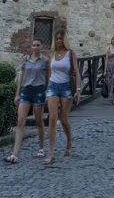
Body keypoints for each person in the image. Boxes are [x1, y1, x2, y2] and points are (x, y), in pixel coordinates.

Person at [4, 38, 50, 164]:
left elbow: (47, 77)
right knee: (20, 121)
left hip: (38, 91)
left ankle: (41, 148)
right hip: (26, 91)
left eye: (37, 45)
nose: (35, 47)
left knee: (39, 121)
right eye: (33, 45)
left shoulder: (45, 60)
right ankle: (15, 154)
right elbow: (22, 75)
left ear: (41, 46)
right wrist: (17, 93)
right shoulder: (26, 59)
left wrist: (45, 92)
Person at [43, 29, 81, 165]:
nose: (59, 41)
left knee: (64, 119)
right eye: (57, 38)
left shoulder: (71, 54)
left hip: (66, 88)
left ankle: (69, 140)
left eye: (61, 38)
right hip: (53, 86)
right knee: (52, 119)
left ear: (64, 40)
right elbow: (47, 69)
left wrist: (78, 89)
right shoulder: (51, 54)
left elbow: (76, 71)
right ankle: (51, 152)